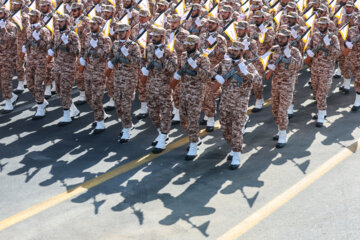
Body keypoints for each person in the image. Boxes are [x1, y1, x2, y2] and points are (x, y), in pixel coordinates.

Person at [212, 41, 260, 169]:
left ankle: (237, 154)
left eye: (235, 51)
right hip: (225, 101)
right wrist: (218, 77)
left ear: (242, 52)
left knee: (237, 129)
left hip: (240, 102)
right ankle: (233, 147)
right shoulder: (225, 62)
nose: (232, 52)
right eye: (231, 50)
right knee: (224, 128)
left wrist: (246, 73)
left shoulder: (247, 65)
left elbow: (258, 80)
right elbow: (211, 72)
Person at [171, 35, 210, 160]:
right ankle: (196, 138)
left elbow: (206, 77)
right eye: (186, 44)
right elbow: (181, 71)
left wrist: (196, 67)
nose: (187, 46)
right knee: (183, 120)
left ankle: (193, 145)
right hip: (184, 91)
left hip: (196, 93)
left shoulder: (203, 59)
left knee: (193, 119)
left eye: (190, 44)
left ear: (197, 45)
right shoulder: (183, 56)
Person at [141, 27, 177, 153]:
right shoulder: (149, 47)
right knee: (152, 113)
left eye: (156, 37)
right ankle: (160, 132)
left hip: (164, 86)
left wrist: (163, 59)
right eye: (152, 36)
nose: (153, 39)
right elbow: (142, 59)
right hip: (151, 85)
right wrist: (143, 69)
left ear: (162, 37)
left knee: (166, 113)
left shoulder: (169, 50)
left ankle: (163, 138)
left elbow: (173, 68)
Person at [267, 29, 302, 148]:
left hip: (287, 84)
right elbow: (268, 59)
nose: (280, 40)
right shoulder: (275, 48)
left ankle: (283, 134)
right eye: (279, 38)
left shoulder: (294, 51)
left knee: (283, 110)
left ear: (288, 38)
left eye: (283, 38)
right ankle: (279, 128)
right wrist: (269, 65)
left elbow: (299, 65)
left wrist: (289, 57)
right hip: (276, 82)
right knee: (275, 108)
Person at [107, 23, 141, 143]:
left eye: (122, 32)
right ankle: (128, 123)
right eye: (118, 32)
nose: (119, 34)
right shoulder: (115, 44)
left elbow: (138, 62)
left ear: (128, 32)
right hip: (117, 77)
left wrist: (128, 55)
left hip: (129, 78)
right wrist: (110, 62)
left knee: (126, 104)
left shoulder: (133, 46)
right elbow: (110, 55)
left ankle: (126, 129)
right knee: (118, 104)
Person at [306, 17, 340, 127]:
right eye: (319, 24)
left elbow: (338, 53)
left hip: (327, 69)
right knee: (315, 91)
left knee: (322, 92)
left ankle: (320, 114)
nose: (320, 26)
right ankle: (323, 111)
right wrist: (309, 52)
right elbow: (308, 46)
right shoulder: (314, 35)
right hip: (315, 67)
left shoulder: (333, 38)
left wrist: (328, 46)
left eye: (323, 24)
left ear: (328, 26)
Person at [80, 16, 111, 133]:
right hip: (88, 71)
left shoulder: (105, 39)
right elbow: (83, 49)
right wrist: (82, 59)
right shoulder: (87, 36)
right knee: (89, 97)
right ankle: (101, 114)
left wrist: (96, 47)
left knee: (97, 98)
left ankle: (100, 122)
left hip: (99, 71)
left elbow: (106, 55)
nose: (91, 26)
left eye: (94, 24)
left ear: (100, 25)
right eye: (91, 24)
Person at [50, 14, 81, 126]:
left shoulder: (73, 35)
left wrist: (67, 43)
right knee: (59, 90)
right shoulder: (57, 34)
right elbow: (56, 48)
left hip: (68, 67)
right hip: (58, 66)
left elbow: (77, 51)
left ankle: (66, 115)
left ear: (67, 22)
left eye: (62, 22)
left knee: (65, 91)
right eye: (58, 21)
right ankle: (73, 109)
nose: (59, 23)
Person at [25, 9, 52, 119]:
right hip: (30, 60)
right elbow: (27, 42)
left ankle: (40, 107)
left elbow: (47, 44)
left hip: (40, 61)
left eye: (33, 16)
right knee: (30, 84)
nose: (31, 18)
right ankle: (42, 101)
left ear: (38, 17)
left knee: (37, 84)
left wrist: (38, 40)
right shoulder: (28, 29)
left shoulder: (43, 30)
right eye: (30, 16)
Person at [0, 7, 18, 113]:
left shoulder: (12, 26)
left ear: (6, 15)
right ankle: (12, 95)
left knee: (6, 79)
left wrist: (3, 29)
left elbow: (11, 39)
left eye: (0, 13)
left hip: (8, 57)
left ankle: (8, 102)